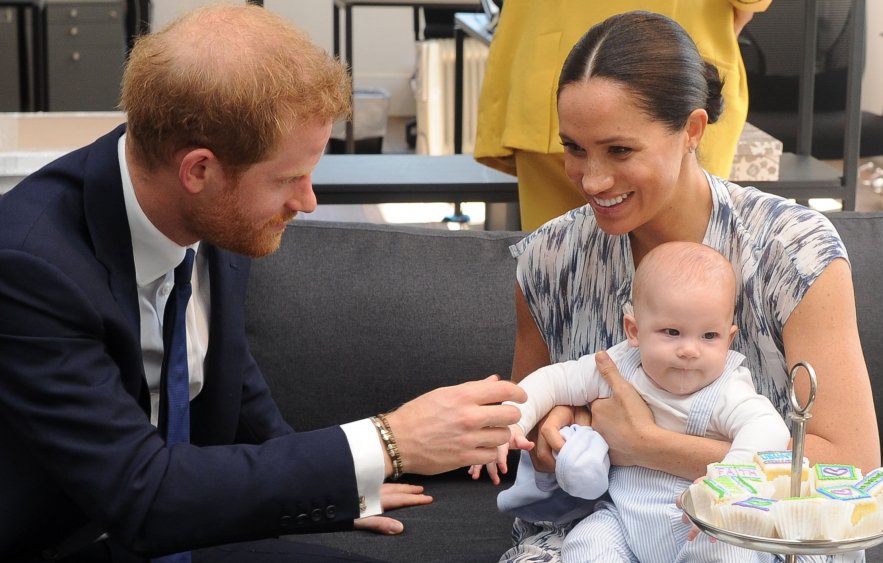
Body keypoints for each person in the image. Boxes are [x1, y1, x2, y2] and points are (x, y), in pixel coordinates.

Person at [0, 5, 526, 562]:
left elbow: (236, 390)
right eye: (288, 179)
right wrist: (388, 442)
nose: (308, 201)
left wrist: (338, 484)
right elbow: (143, 496)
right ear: (198, 170)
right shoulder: (32, 266)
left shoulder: (211, 218)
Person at [502, 10, 880, 563]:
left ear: (693, 131)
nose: (592, 179)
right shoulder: (548, 259)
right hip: (601, 530)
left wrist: (646, 446)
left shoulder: (792, 249)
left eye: (619, 150)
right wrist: (555, 432)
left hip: (762, 536)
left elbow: (853, 466)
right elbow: (527, 426)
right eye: (575, 148)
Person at [473, 241, 790, 562]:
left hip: (699, 523)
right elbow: (554, 381)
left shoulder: (727, 388)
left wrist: (729, 486)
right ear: (634, 331)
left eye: (710, 336)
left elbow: (768, 428)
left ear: (730, 337)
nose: (690, 350)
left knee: (730, 547)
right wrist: (514, 419)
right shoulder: (620, 365)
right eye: (672, 332)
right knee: (585, 543)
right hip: (623, 521)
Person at [474, 0, 771, 231]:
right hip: (674, 74)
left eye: (620, 150)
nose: (595, 182)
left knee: (561, 275)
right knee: (684, 278)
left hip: (549, 64)